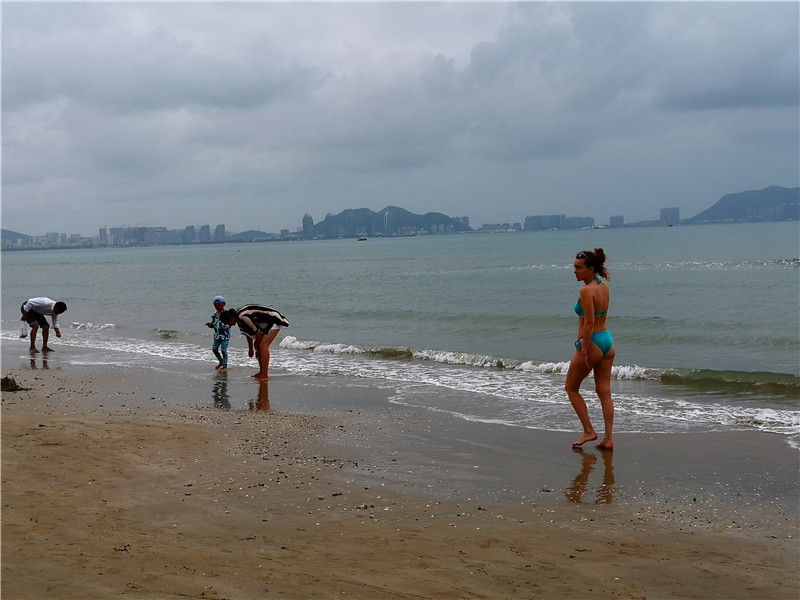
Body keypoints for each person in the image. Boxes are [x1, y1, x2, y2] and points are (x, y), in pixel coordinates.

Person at [565, 248, 615, 450]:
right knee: (604, 392)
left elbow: (588, 322)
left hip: (592, 341)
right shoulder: (603, 286)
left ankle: (589, 430)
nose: (574, 271)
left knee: (571, 388)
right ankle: (608, 439)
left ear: (591, 269)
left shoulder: (586, 291)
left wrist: (584, 350)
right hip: (607, 341)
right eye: (574, 267)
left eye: (578, 268)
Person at [220, 304, 289, 382]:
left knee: (263, 346)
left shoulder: (242, 317)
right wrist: (251, 349)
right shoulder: (238, 318)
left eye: (227, 322)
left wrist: (256, 348)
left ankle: (265, 375)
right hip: (264, 324)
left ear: (231, 318)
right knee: (259, 347)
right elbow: (248, 333)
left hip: (274, 320)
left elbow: (258, 333)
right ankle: (261, 372)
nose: (227, 325)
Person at [205, 296, 231, 370]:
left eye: (219, 305)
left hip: (225, 336)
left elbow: (230, 323)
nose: (217, 307)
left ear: (224, 304)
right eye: (215, 306)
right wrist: (210, 325)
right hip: (217, 336)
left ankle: (225, 365)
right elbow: (213, 324)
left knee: (223, 350)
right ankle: (221, 362)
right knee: (214, 349)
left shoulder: (226, 313)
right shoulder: (215, 314)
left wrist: (225, 328)